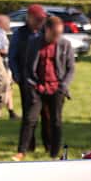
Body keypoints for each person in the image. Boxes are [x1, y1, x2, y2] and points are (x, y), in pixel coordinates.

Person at [27, 15, 77, 159]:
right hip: (40, 86)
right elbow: (29, 66)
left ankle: (55, 151)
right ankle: (44, 145)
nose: (57, 37)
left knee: (56, 120)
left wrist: (64, 85)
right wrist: (33, 83)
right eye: (55, 34)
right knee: (39, 117)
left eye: (59, 34)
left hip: (57, 87)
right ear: (47, 30)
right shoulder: (36, 43)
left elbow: (70, 68)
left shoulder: (65, 44)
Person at [9, 3, 47, 154]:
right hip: (26, 80)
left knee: (46, 115)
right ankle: (28, 145)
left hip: (44, 79)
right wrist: (18, 76)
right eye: (37, 19)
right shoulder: (20, 34)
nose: (40, 22)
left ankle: (47, 146)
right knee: (29, 115)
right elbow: (13, 57)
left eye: (42, 19)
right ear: (29, 18)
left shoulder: (45, 32)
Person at [0, 13, 18, 118]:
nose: (9, 25)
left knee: (8, 88)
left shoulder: (0, 34)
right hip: (3, 65)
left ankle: (11, 111)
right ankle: (1, 110)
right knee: (6, 88)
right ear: (2, 24)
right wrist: (11, 52)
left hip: (5, 65)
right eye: (7, 23)